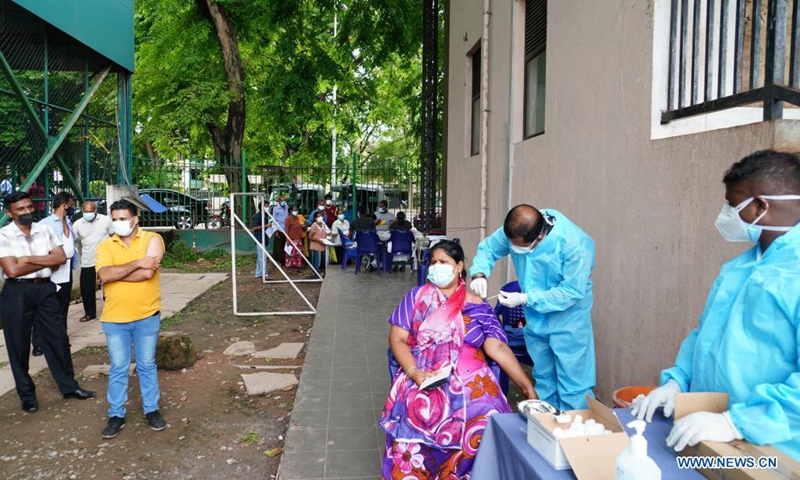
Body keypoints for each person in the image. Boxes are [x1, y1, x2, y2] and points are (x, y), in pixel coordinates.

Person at [633, 150, 800, 460]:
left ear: (761, 206)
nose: (726, 214)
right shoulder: (739, 268)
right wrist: (677, 382)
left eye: (732, 205)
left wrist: (736, 422)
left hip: (776, 446)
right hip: (713, 434)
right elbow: (706, 334)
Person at [380, 240, 536, 478]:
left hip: (472, 380)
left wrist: (525, 384)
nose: (436, 267)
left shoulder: (477, 306)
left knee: (487, 407)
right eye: (433, 262)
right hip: (422, 372)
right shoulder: (416, 297)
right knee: (416, 403)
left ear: (459, 266)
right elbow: (398, 340)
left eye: (443, 262)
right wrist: (414, 373)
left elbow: (498, 347)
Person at [469, 204, 596, 411]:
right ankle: (548, 428)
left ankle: (574, 434)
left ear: (538, 238)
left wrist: (525, 299)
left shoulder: (575, 245)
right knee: (544, 378)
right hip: (536, 320)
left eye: (519, 247)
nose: (515, 250)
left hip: (568, 321)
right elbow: (489, 248)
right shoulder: (517, 229)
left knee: (574, 385)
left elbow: (571, 291)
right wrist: (479, 274)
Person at [0, 192, 95, 413]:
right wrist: (43, 260)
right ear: (9, 213)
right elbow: (12, 269)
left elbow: (60, 258)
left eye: (29, 207)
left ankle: (69, 386)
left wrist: (26, 260)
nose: (27, 212)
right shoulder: (4, 236)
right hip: (17, 292)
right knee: (19, 345)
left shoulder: (44, 229)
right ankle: (27, 395)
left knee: (58, 338)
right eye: (20, 209)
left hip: (45, 289)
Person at [95, 199, 167, 439]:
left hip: (146, 315)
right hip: (114, 318)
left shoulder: (152, 239)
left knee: (147, 365)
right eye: (114, 219)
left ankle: (152, 410)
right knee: (118, 367)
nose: (118, 223)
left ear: (135, 219)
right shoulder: (106, 245)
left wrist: (115, 274)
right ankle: (116, 413)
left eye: (123, 219)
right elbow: (104, 274)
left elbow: (148, 273)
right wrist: (136, 263)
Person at [34, 192, 78, 356]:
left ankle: (60, 339)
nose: (72, 208)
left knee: (63, 306)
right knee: (45, 308)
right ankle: (39, 343)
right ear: (63, 204)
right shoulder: (45, 223)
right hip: (52, 271)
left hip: (66, 269)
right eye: (71, 204)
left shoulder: (68, 221)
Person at [73, 200, 114, 322]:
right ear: (82, 211)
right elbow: (72, 240)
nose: (88, 213)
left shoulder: (106, 220)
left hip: (105, 259)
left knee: (109, 286)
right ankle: (89, 313)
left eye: (91, 211)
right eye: (86, 211)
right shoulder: (77, 224)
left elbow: (113, 236)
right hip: (88, 259)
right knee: (86, 288)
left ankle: (111, 311)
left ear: (96, 210)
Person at [251, 201, 271, 280]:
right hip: (260, 238)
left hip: (264, 237)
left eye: (268, 206)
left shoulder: (265, 215)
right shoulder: (258, 215)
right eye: (266, 206)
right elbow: (254, 227)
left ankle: (258, 273)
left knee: (261, 255)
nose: (267, 208)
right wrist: (265, 225)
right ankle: (264, 273)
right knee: (263, 256)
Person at [271, 196, 289, 265]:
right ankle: (276, 260)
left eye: (284, 200)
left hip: (286, 229)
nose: (283, 202)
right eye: (281, 200)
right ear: (279, 201)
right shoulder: (276, 209)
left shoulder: (287, 207)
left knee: (284, 245)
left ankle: (283, 260)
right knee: (278, 246)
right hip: (279, 228)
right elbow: (274, 220)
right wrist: (275, 231)